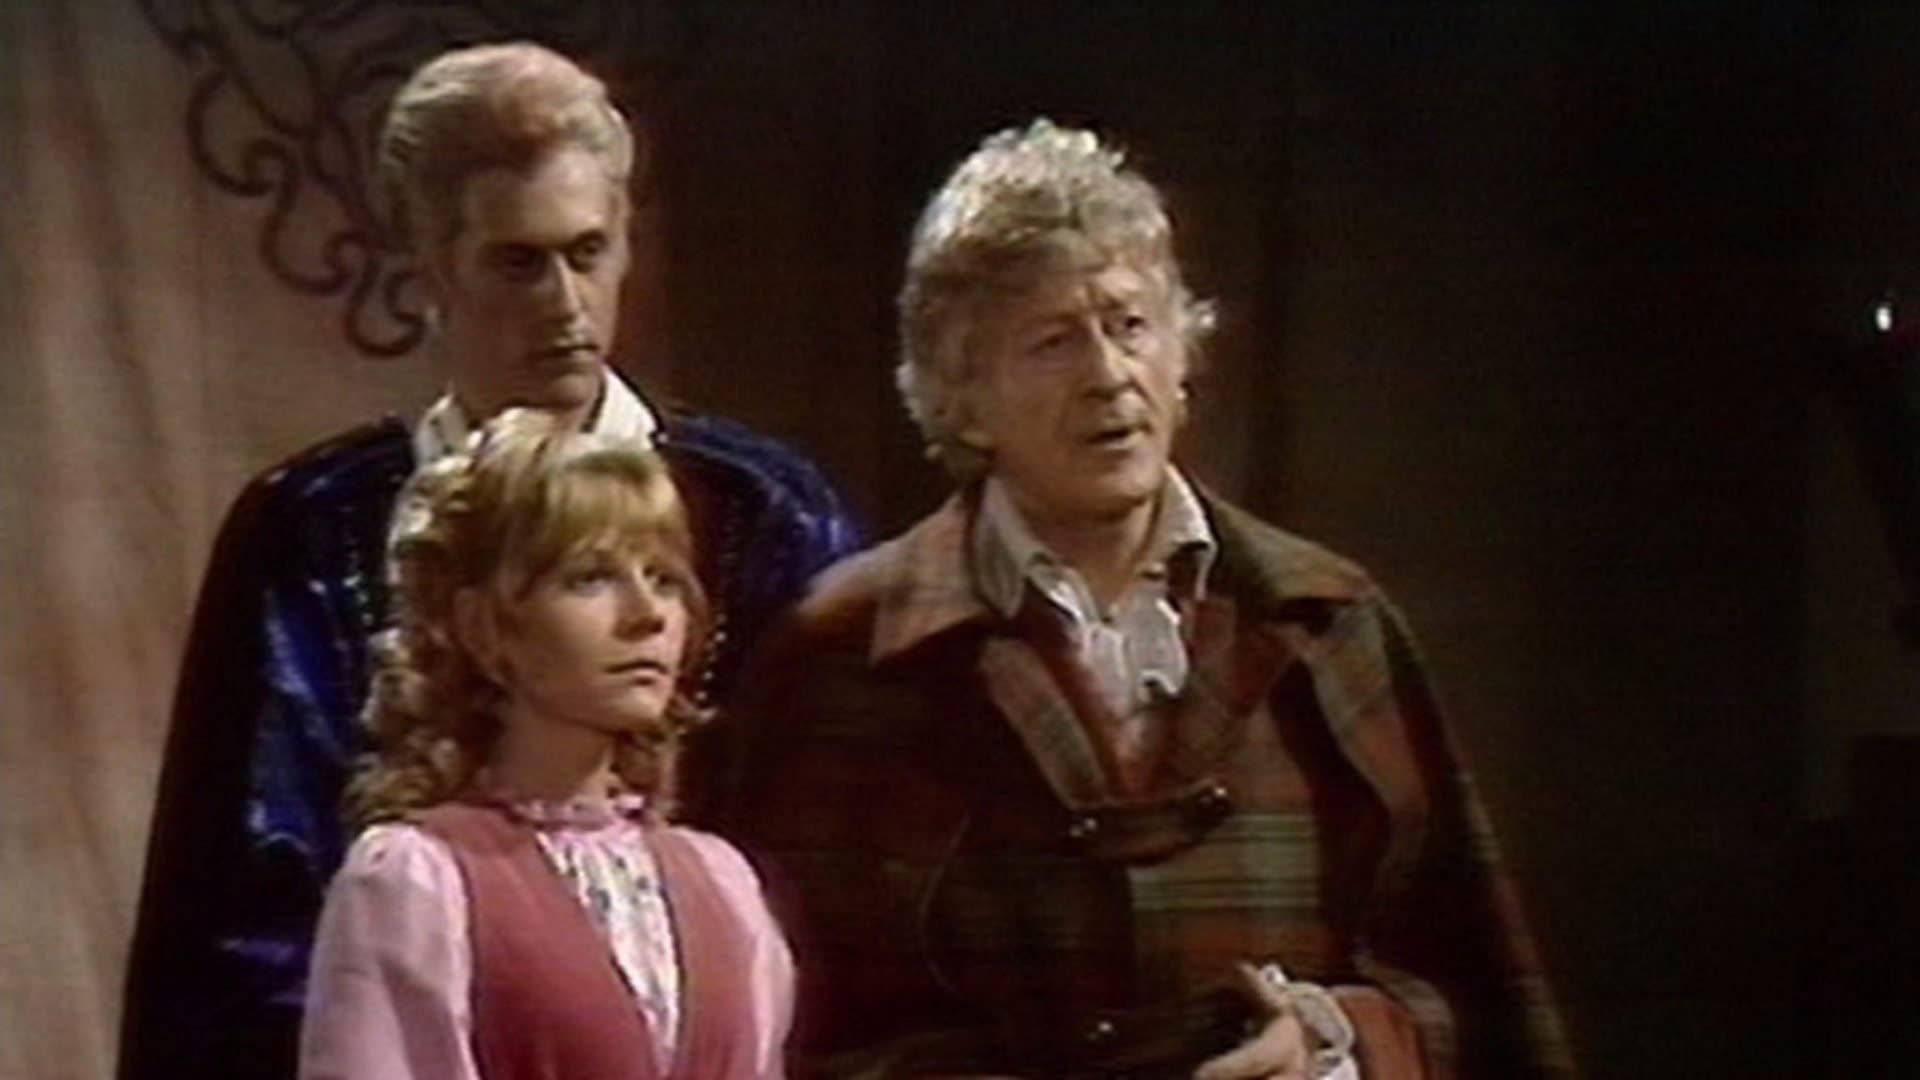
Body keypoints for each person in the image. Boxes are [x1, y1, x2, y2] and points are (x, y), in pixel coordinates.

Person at [728, 120, 1574, 1078]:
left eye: (1130, 325)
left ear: (1182, 354)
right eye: (1052, 342)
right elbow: (772, 1031)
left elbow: (1471, 994)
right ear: (961, 397)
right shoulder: (846, 651)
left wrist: (1336, 1042)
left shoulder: (1323, 623)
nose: (1107, 376)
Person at [121, 42, 857, 1078]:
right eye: (518, 262)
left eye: (588, 252)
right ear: (430, 268)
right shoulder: (316, 529)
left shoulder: (763, 509)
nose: (564, 302)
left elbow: (838, 858)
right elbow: (236, 921)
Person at [299, 412, 790, 1079]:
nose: (647, 615)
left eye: (664, 578)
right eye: (591, 577)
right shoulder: (418, 883)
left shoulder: (722, 882)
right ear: (484, 627)